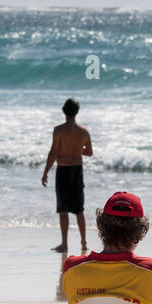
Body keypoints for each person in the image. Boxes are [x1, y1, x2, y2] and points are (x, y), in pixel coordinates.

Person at [42, 98, 93, 253]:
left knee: (63, 209)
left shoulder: (59, 131)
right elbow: (89, 152)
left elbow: (53, 153)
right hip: (77, 171)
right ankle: (83, 243)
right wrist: (77, 149)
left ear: (64, 111)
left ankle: (64, 243)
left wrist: (45, 171)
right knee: (79, 209)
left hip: (63, 171)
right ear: (77, 112)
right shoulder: (84, 131)